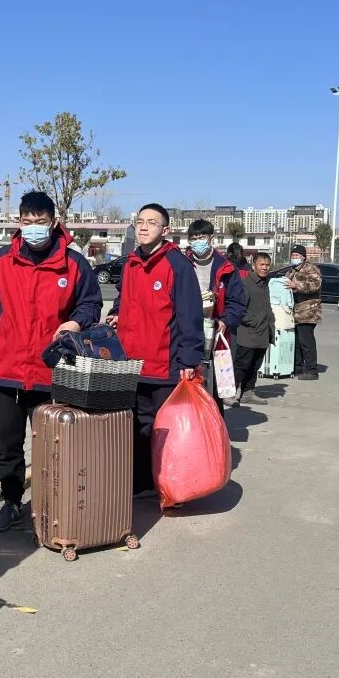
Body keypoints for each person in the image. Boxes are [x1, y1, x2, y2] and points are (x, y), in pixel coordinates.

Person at [0, 192, 102, 532]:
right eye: (27, 222)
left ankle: (51, 506)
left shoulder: (74, 264)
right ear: (19, 222)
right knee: (6, 444)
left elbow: (90, 304)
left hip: (51, 372)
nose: (33, 229)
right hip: (5, 368)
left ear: (54, 223)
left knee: (53, 445)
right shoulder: (2, 260)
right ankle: (12, 502)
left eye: (40, 222)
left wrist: (76, 322)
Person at [106, 204, 202, 496]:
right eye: (140, 222)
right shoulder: (131, 263)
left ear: (165, 230)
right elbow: (124, 298)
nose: (144, 227)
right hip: (131, 363)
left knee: (166, 430)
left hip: (164, 364)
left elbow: (189, 315)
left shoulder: (177, 265)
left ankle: (172, 486)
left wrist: (189, 359)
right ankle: (141, 483)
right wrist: (116, 312)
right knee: (136, 427)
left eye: (152, 222)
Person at [184, 219, 247, 410]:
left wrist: (226, 320)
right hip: (187, 332)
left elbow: (237, 302)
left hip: (217, 333)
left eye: (201, 237)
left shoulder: (226, 267)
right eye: (193, 238)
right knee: (188, 383)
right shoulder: (182, 264)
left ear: (211, 238)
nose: (197, 242)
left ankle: (215, 422)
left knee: (214, 388)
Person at [234, 252, 275, 406]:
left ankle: (248, 392)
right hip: (248, 334)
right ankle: (230, 393)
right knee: (242, 365)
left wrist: (271, 323)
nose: (265, 268)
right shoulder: (246, 284)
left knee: (255, 366)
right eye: (261, 265)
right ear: (253, 266)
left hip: (263, 333)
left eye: (267, 265)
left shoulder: (265, 284)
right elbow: (240, 309)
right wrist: (255, 322)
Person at [284, 245, 321, 380]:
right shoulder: (291, 271)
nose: (294, 257)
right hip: (295, 312)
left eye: (296, 255)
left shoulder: (310, 269)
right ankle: (297, 367)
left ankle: (312, 370)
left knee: (306, 342)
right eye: (292, 255)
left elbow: (315, 285)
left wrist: (296, 286)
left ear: (303, 257)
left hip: (308, 312)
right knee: (297, 342)